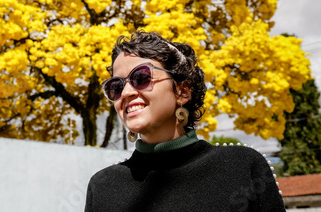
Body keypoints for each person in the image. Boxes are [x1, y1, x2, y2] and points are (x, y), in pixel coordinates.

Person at [85, 31, 285, 212]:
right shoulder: (103, 187)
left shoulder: (241, 167)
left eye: (141, 77)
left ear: (182, 91)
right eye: (115, 86)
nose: (126, 92)